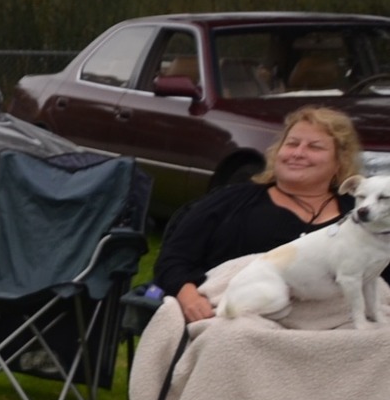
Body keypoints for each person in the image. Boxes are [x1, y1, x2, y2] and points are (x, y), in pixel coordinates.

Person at [155, 106, 364, 323]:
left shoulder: (359, 216)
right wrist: (190, 298)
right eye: (292, 144)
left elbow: (378, 279)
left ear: (340, 161)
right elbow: (173, 260)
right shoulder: (229, 202)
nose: (298, 153)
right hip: (235, 317)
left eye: (314, 147)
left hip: (332, 323)